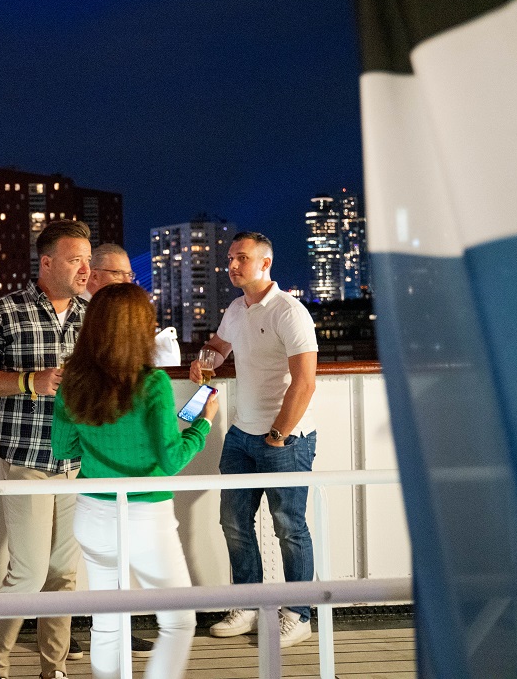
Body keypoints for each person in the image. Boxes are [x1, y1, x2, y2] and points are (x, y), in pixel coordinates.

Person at [52, 282, 218, 679]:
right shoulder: (153, 382)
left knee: (108, 622)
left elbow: (62, 447)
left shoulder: (72, 379)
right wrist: (204, 423)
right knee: (178, 621)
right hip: (146, 515)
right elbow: (172, 459)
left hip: (93, 511)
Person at [0, 219, 91, 679]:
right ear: (47, 262)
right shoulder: (6, 310)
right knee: (29, 574)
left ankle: (53, 670)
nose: (85, 269)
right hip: (28, 459)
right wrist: (29, 381)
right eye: (75, 260)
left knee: (64, 575)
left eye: (87, 260)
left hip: (79, 461)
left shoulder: (91, 314)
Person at [190, 231, 319, 648]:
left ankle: (297, 615)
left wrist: (278, 435)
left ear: (265, 263)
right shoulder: (235, 308)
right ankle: (249, 606)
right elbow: (218, 347)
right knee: (233, 523)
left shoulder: (289, 312)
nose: (232, 264)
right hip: (240, 435)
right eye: (230, 258)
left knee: (289, 528)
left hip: (285, 439)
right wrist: (204, 360)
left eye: (241, 258)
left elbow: (305, 382)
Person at [74, 243, 156, 654]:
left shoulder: (108, 318)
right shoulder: (80, 318)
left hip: (91, 460)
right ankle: (66, 634)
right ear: (96, 275)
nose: (129, 281)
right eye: (121, 274)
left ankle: (112, 628)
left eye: (129, 275)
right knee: (70, 559)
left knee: (108, 557)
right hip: (79, 458)